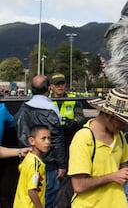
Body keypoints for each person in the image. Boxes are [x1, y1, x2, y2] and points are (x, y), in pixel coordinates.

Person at [67, 88, 128, 207]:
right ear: (107, 114)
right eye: (121, 121)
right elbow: (79, 185)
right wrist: (112, 177)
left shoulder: (119, 136)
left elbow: (122, 167)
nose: (125, 126)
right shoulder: (84, 139)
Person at [14, 75, 67, 208]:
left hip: (27, 160)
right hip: (49, 164)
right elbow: (57, 138)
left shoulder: (22, 109)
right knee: (46, 196)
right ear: (49, 88)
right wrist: (62, 164)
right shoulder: (51, 109)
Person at [13, 125, 51, 208]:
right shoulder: (35, 164)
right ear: (32, 141)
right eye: (43, 138)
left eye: (49, 138)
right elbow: (32, 190)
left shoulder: (28, 158)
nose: (47, 142)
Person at [49, 73, 85, 147]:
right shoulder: (46, 99)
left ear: (65, 85)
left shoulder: (73, 98)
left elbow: (80, 117)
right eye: (57, 84)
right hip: (51, 135)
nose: (60, 86)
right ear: (52, 86)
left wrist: (74, 122)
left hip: (69, 133)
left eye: (62, 83)